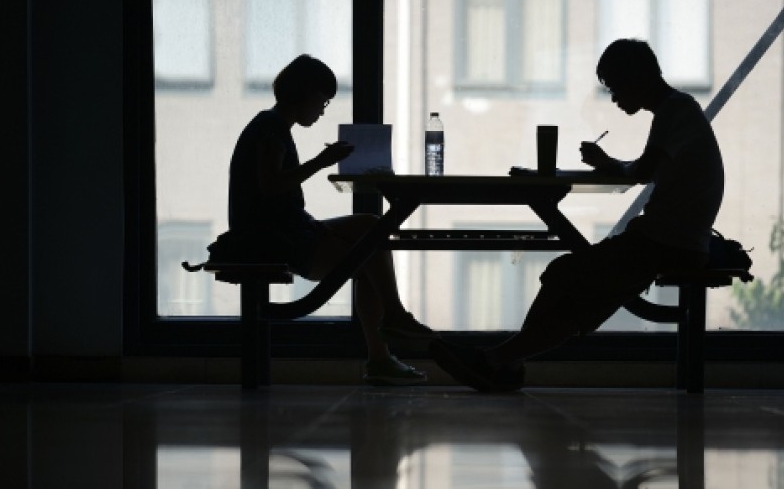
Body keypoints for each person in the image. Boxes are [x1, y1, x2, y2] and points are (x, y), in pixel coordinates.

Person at [430, 38, 724, 391]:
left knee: (564, 276)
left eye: (616, 88)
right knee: (569, 280)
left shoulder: (675, 110)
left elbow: (643, 171)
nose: (614, 99)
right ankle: (503, 361)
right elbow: (646, 169)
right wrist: (612, 164)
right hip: (675, 239)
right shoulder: (678, 110)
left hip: (666, 242)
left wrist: (612, 165)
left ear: (636, 79)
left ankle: (499, 361)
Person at [228, 54, 435, 386]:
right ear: (306, 94)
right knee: (369, 248)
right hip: (279, 239)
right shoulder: (271, 129)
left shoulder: (270, 124)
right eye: (322, 101)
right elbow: (271, 185)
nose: (323, 110)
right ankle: (385, 345)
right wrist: (322, 161)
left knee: (371, 228)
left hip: (284, 230)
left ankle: (390, 331)